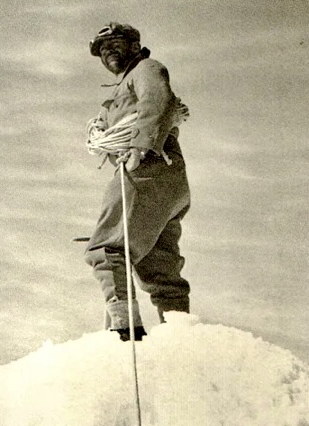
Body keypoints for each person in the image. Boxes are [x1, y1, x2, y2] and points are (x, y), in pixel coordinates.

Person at [84, 22, 191, 341]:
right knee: (159, 264)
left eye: (116, 43)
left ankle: (124, 334)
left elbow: (158, 100)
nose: (108, 51)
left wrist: (141, 145)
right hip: (169, 180)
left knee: (107, 247)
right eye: (102, 49)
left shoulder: (146, 69)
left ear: (135, 45)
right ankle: (180, 336)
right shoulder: (120, 91)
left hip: (146, 166)